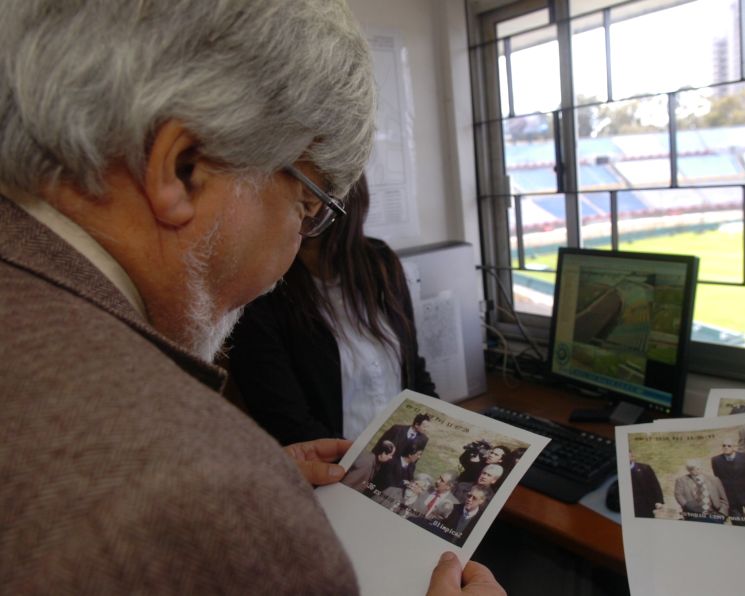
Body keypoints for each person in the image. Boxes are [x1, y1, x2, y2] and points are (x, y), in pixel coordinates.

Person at [0, 1, 503, 593]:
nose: (296, 245)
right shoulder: (206, 498)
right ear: (182, 170)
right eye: (306, 207)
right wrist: (246, 490)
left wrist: (265, 474)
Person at [227, 174, 436, 444]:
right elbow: (288, 424)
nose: (307, 210)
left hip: (404, 454)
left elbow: (414, 372)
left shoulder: (380, 263)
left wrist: (445, 434)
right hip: (333, 470)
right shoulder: (259, 293)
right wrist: (364, 467)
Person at [710, 436, 745, 525]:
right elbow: (718, 478)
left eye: (729, 445)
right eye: (724, 445)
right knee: (738, 524)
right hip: (731, 498)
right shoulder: (716, 460)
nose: (726, 447)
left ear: (734, 447)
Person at [629, 451, 664, 518]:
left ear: (632, 457)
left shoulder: (644, 468)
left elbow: (655, 484)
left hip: (645, 504)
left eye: (629, 456)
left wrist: (659, 501)